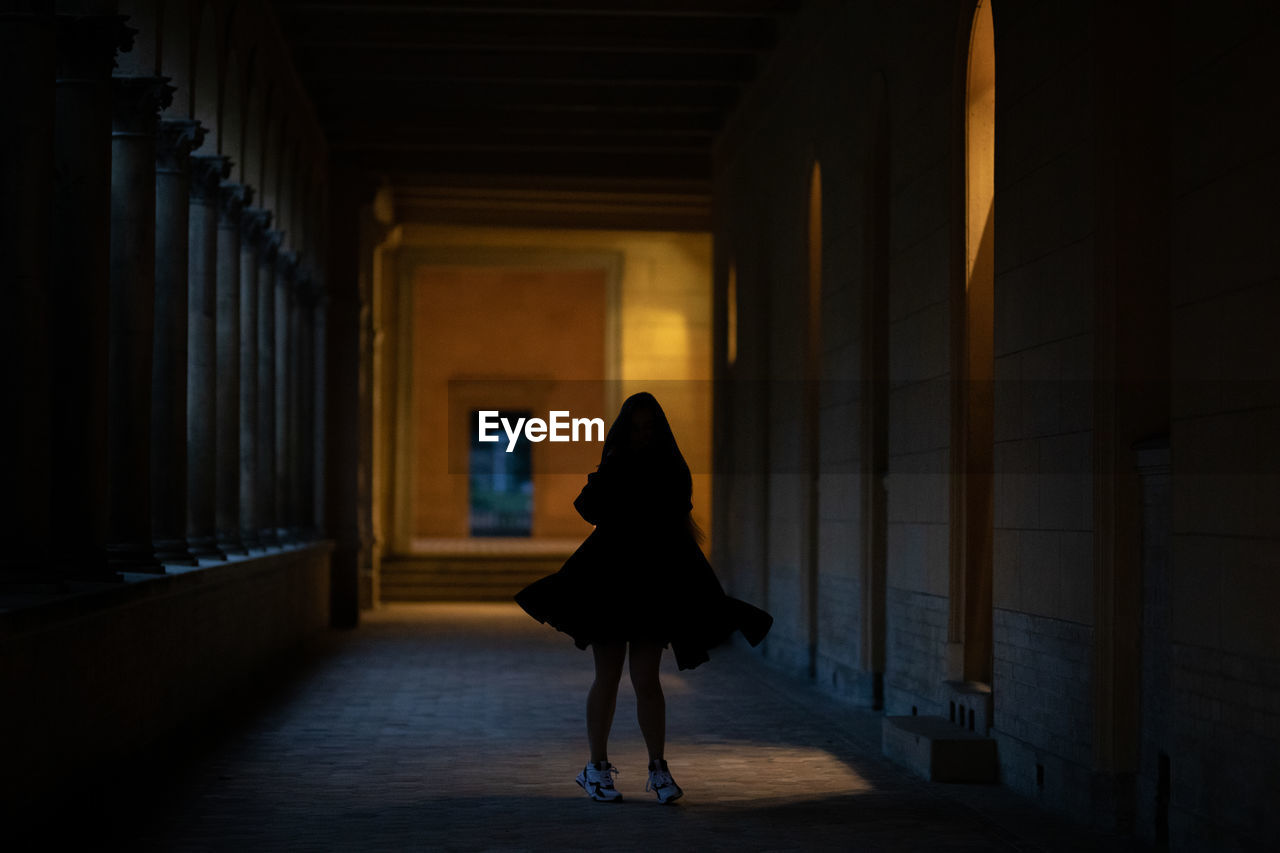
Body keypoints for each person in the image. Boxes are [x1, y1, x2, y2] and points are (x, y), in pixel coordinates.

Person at [514, 391, 773, 804]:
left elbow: (672, 526)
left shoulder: (670, 468)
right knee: (610, 676)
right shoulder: (617, 467)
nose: (643, 434)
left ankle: (657, 768)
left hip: (650, 585)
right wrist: (615, 472)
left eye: (650, 427)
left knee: (646, 678)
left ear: (660, 429)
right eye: (636, 428)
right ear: (625, 430)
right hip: (611, 582)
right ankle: (596, 767)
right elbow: (592, 509)